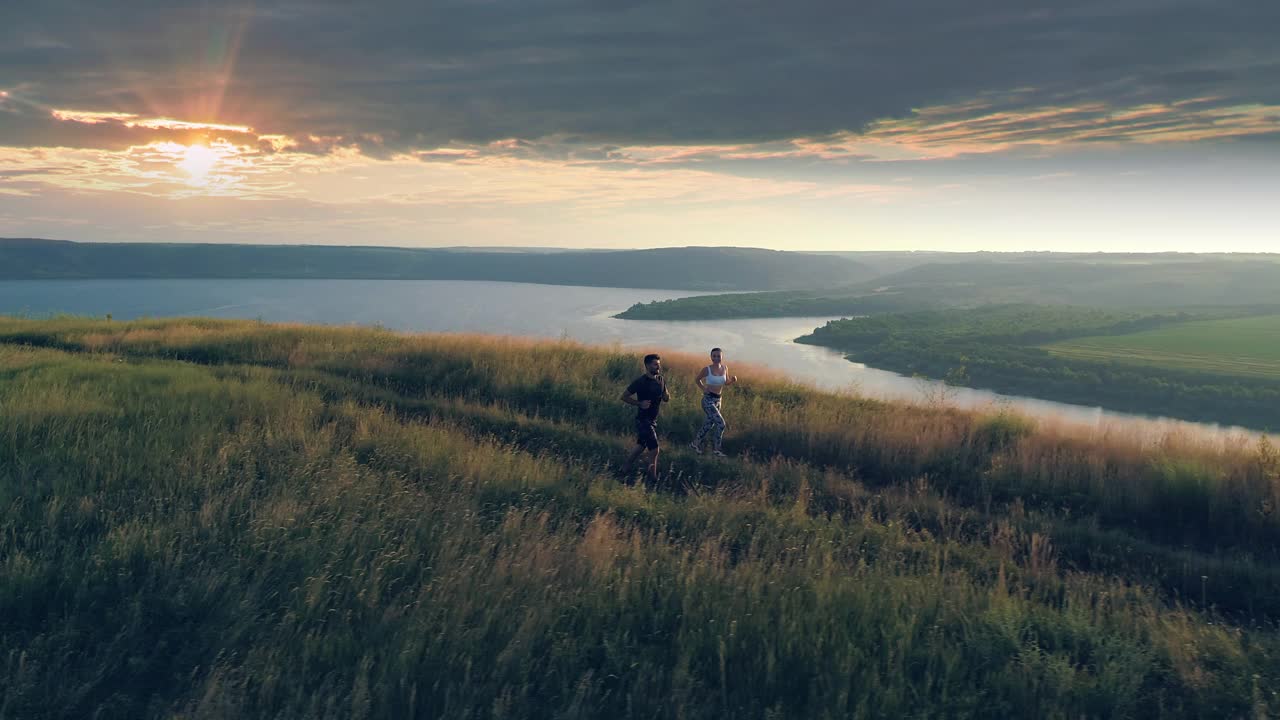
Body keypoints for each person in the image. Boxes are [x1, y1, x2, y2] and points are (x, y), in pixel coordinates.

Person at [620, 353, 670, 484]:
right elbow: (624, 396)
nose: (658, 367)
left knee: (641, 446)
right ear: (647, 366)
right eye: (655, 364)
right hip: (643, 420)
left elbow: (666, 399)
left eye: (659, 365)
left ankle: (624, 468)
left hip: (653, 420)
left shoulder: (660, 379)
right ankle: (652, 477)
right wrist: (639, 403)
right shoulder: (640, 382)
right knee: (654, 449)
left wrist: (664, 390)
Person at [690, 347, 737, 456]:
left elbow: (726, 383)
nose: (716, 358)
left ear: (722, 357)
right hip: (708, 400)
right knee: (721, 424)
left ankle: (694, 444)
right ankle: (717, 449)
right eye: (714, 356)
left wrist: (732, 380)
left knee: (708, 424)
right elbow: (697, 380)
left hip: (718, 400)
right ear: (711, 357)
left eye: (718, 356)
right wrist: (704, 389)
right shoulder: (707, 369)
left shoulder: (725, 368)